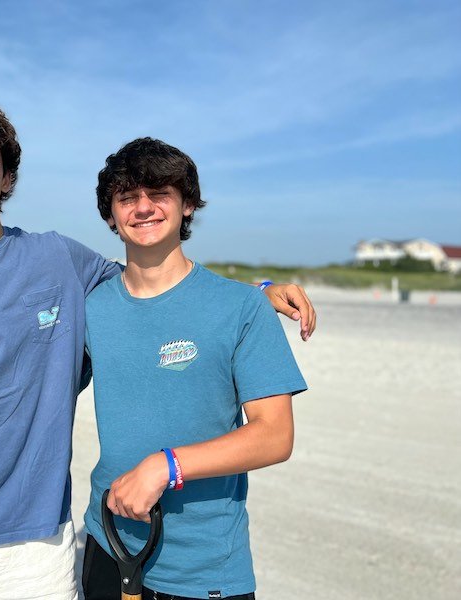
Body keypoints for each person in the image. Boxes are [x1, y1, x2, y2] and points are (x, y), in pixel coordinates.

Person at [0, 99, 315, 600]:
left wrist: (254, 293)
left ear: (7, 180)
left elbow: (162, 284)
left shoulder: (57, 259)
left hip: (41, 542)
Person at [81, 137, 308, 600]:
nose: (143, 207)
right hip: (108, 542)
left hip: (203, 570)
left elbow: (274, 435)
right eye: (127, 197)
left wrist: (166, 467)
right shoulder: (92, 306)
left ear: (187, 205)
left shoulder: (242, 307)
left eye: (159, 194)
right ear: (110, 215)